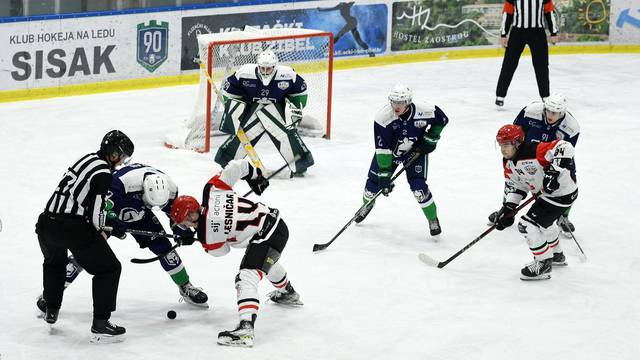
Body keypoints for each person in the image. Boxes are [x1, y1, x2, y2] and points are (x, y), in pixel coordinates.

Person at [36, 163, 209, 310]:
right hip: (116, 208)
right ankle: (53, 293)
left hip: (140, 214)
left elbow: (175, 214)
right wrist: (112, 220)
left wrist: (181, 230)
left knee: (164, 247)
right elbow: (101, 207)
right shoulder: (120, 184)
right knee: (88, 250)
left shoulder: (169, 189)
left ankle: (185, 285)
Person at [169, 158, 302, 348]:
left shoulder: (207, 235)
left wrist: (198, 238)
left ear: (190, 216)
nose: (185, 226)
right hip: (277, 223)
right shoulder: (212, 190)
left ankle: (246, 329)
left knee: (246, 276)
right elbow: (238, 166)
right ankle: (287, 292)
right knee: (264, 262)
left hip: (266, 235)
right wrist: (255, 177)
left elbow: (221, 251)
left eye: (184, 223)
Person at [36, 130, 133, 343]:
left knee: (55, 263)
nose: (121, 162)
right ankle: (101, 322)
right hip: (71, 228)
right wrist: (110, 228)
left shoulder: (86, 159)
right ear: (114, 153)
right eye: (122, 156)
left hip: (45, 224)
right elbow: (96, 212)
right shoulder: (104, 173)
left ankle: (51, 309)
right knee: (109, 268)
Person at [355, 84, 449, 239]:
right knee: (372, 186)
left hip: (416, 152)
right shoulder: (382, 118)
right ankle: (367, 204)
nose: (396, 106)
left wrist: (432, 138)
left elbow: (442, 119)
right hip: (389, 155)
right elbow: (382, 148)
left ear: (409, 102)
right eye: (394, 102)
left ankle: (432, 218)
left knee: (419, 188)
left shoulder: (424, 110)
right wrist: (384, 175)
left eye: (401, 102)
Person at [493, 124, 578, 280]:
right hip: (546, 196)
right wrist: (508, 208)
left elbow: (565, 146)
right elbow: (517, 186)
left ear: (518, 142)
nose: (502, 149)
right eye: (500, 145)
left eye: (506, 144)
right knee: (545, 224)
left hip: (562, 194)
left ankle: (543, 262)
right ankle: (557, 255)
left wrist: (554, 171)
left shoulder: (536, 150)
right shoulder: (508, 163)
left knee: (527, 224)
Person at [214, 49, 314, 177]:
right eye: (262, 68)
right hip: (251, 108)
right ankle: (227, 161)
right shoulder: (245, 73)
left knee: (283, 131)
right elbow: (229, 91)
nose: (265, 72)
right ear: (258, 66)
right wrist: (235, 108)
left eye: (269, 69)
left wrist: (295, 108)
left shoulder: (287, 75)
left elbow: (300, 93)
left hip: (277, 108)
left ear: (275, 67)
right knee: (247, 133)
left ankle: (300, 164)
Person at [488, 93, 579, 232]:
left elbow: (568, 150)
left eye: (555, 112)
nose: (550, 115)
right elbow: (515, 131)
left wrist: (554, 170)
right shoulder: (530, 111)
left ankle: (562, 216)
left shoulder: (571, 126)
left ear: (562, 112)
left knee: (566, 178)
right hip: (529, 150)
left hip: (555, 153)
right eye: (548, 110)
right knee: (514, 177)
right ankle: (507, 209)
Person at [495, 0, 559, 107]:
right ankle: (500, 95)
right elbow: (508, 13)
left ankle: (545, 96)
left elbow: (549, 12)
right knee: (509, 64)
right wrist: (503, 34)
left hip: (537, 32)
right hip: (518, 32)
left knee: (542, 65)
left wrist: (553, 32)